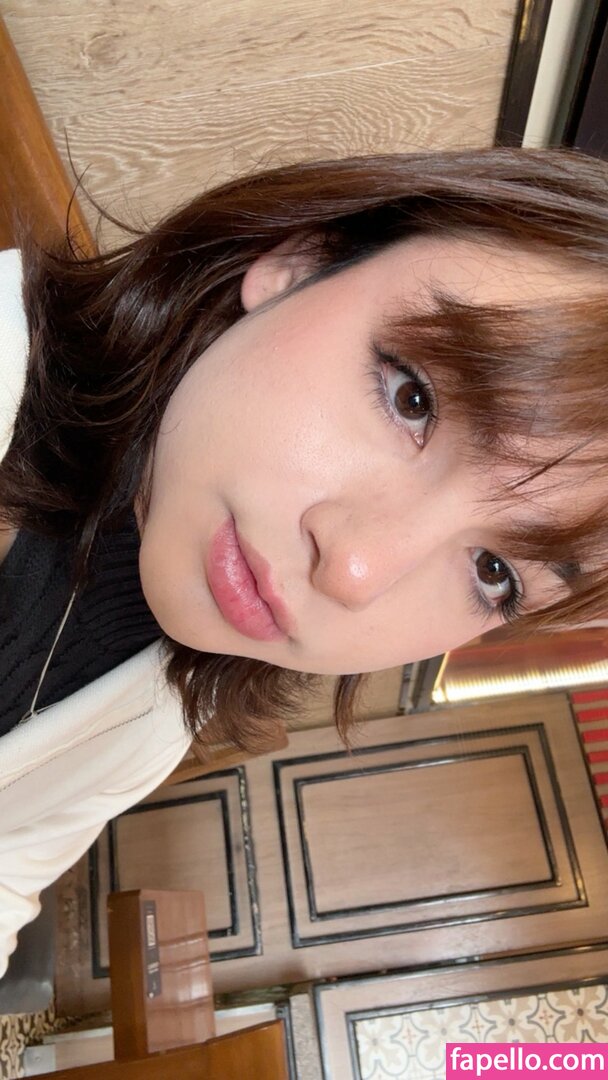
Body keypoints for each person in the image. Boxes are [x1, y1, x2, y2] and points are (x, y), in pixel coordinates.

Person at [1, 145, 607, 979]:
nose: (355, 572)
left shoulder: (151, 722)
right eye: (413, 399)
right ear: (300, 263)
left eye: (494, 573)